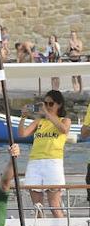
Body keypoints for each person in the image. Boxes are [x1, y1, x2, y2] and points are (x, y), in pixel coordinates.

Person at [18, 90, 72, 218]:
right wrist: (23, 117)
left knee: (54, 204)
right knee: (37, 207)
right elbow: (23, 134)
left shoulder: (65, 120)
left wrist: (47, 113)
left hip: (53, 162)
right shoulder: (39, 121)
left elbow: (63, 129)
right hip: (35, 162)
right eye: (45, 103)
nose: (47, 106)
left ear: (59, 104)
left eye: (50, 104)